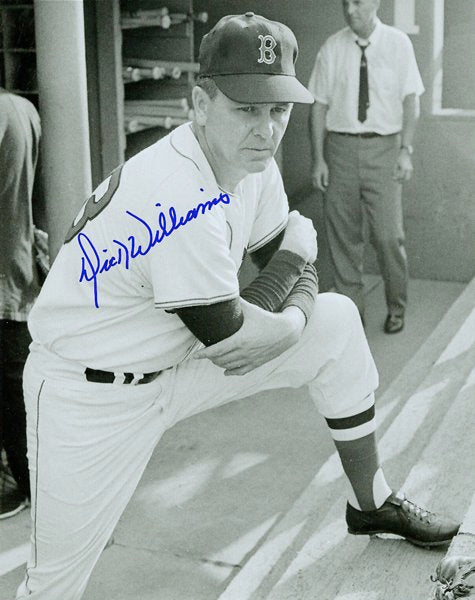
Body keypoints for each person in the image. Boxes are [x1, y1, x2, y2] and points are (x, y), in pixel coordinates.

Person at [18, 13, 457, 600]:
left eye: (278, 109)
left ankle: (370, 503)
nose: (267, 129)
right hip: (88, 395)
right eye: (247, 108)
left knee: (336, 321)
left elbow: (291, 275)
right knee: (52, 586)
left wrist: (289, 300)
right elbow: (236, 338)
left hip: (177, 364)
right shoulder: (176, 193)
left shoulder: (251, 164)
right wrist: (290, 300)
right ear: (200, 104)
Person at [308, 0, 424, 333]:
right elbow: (318, 107)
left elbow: (411, 100)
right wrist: (319, 159)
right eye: (346, 3)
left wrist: (405, 150)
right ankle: (352, 315)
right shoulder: (333, 47)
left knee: (388, 237)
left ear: (376, 2)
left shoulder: (398, 44)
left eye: (358, 2)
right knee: (343, 240)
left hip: (385, 149)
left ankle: (396, 306)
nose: (350, 10)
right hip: (340, 150)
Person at [0, 88, 41, 519]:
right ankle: (33, 484)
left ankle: (19, 486)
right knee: (19, 392)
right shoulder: (23, 109)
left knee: (12, 396)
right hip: (18, 271)